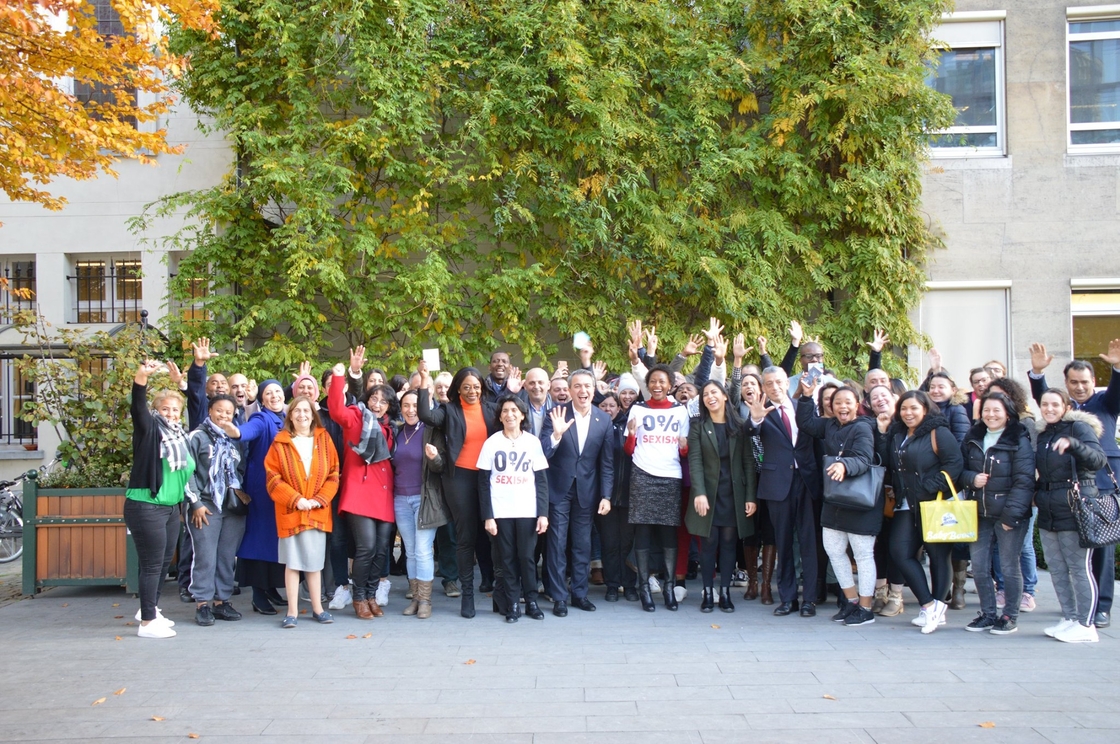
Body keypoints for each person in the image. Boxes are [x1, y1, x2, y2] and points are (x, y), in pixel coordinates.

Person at [1028, 339, 1120, 628]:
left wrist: (1116, 367)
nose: (1079, 386)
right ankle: (1079, 608)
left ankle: (1101, 606)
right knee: (1071, 555)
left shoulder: (1104, 401)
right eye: (1073, 382)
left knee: (1100, 548)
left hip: (1100, 483)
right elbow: (1049, 405)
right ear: (1066, 384)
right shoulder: (1062, 410)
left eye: (1084, 381)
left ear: (1094, 381)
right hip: (1066, 489)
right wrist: (1037, 375)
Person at [878, 390, 964, 634]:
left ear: (925, 409)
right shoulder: (898, 434)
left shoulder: (939, 432)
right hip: (906, 503)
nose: (908, 413)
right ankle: (929, 605)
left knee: (938, 557)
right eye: (904, 408)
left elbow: (954, 465)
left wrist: (929, 486)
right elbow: (888, 463)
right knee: (899, 551)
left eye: (913, 408)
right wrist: (884, 434)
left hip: (934, 503)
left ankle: (937, 608)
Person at [418, 363, 498, 618]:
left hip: (488, 478)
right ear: (458, 390)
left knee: (492, 533)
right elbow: (425, 416)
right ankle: (468, 596)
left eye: (476, 387)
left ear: (482, 388)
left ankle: (497, 590)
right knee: (465, 538)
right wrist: (423, 382)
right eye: (467, 387)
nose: (472, 391)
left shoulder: (491, 410)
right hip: (459, 479)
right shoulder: (448, 411)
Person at [796, 380, 879, 626]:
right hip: (835, 499)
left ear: (857, 405)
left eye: (847, 402)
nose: (842, 407)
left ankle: (866, 607)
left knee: (863, 555)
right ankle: (851, 602)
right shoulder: (830, 425)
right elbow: (807, 424)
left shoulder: (864, 428)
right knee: (833, 550)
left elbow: (864, 458)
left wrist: (844, 464)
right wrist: (806, 398)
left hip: (860, 501)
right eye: (837, 403)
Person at [126, 360, 195, 639]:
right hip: (146, 505)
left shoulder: (180, 436)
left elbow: (199, 406)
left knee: (164, 562)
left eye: (175, 409)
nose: (170, 413)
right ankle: (146, 623)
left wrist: (183, 384)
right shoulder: (149, 431)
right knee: (152, 564)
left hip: (169, 508)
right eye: (164, 408)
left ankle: (149, 610)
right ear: (156, 410)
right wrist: (141, 377)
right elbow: (137, 408)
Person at [745, 366, 822, 617]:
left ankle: (809, 598)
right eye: (769, 383)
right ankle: (788, 598)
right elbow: (749, 432)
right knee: (783, 542)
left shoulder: (804, 407)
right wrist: (755, 418)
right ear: (764, 388)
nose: (775, 387)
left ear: (787, 384)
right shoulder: (761, 411)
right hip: (777, 485)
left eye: (779, 382)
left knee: (809, 543)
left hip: (807, 481)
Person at [1035, 387, 1110, 643]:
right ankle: (1069, 617)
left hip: (1076, 506)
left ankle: (1086, 624)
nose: (1050, 409)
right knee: (1056, 567)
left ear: (1066, 407)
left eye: (1055, 404)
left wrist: (1074, 445)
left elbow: (1098, 461)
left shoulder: (1079, 429)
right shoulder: (1043, 434)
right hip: (1048, 507)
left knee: (1079, 568)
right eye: (1045, 404)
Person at [540, 369, 615, 616]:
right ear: (570, 390)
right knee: (557, 544)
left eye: (588, 386)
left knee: (582, 545)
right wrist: (556, 435)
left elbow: (606, 463)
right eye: (578, 386)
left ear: (594, 390)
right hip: (559, 489)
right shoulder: (556, 414)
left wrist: (606, 495)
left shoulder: (603, 420)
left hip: (588, 492)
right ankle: (559, 596)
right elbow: (542, 453)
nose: (583, 391)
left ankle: (580, 594)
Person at [960, 392, 1035, 635]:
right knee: (980, 567)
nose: (990, 415)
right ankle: (987, 614)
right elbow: (959, 470)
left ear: (1008, 413)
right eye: (986, 411)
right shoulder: (973, 437)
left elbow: (1024, 482)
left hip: (1008, 515)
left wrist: (1011, 517)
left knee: (1009, 567)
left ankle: (1009, 616)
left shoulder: (1018, 439)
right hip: (979, 513)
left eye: (996, 410)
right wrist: (972, 479)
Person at [264, 396, 339, 628]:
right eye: (296, 411)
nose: (302, 415)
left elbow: (334, 474)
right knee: (293, 563)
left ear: (313, 414)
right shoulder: (280, 442)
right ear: (290, 416)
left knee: (314, 563)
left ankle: (318, 609)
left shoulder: (324, 439)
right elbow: (272, 478)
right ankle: (292, 612)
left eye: (306, 411)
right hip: (291, 511)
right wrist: (296, 500)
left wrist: (319, 499)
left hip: (317, 510)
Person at [328, 363, 396, 620]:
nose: (378, 404)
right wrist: (338, 377)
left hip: (384, 493)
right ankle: (358, 597)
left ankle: (370, 594)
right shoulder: (357, 417)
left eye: (384, 401)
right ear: (367, 400)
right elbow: (336, 409)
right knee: (365, 547)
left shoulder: (391, 428)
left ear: (389, 406)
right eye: (374, 399)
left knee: (381, 549)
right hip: (359, 491)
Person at [686, 380, 757, 612]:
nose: (709, 397)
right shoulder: (698, 425)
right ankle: (708, 593)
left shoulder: (739, 425)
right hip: (708, 494)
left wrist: (750, 496)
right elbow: (694, 460)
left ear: (725, 396)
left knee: (728, 543)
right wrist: (699, 493)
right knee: (708, 543)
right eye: (705, 394)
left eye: (714, 392)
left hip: (733, 494)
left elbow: (748, 462)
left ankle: (725, 592)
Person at [625, 364, 691, 612]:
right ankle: (644, 588)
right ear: (648, 384)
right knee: (642, 531)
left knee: (668, 534)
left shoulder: (680, 411)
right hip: (642, 474)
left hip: (670, 476)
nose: (657, 386)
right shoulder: (638, 409)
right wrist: (631, 436)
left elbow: (684, 450)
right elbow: (629, 450)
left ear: (670, 384)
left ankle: (669, 587)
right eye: (653, 381)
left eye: (662, 381)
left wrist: (684, 448)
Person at [479, 395, 550, 622]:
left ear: (522, 415)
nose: (510, 414)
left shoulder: (532, 442)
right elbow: (482, 483)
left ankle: (531, 601)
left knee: (527, 558)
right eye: (505, 411)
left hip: (527, 510)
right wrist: (488, 516)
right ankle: (512, 604)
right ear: (500, 416)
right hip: (501, 511)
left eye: (514, 410)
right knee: (507, 559)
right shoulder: (491, 443)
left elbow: (541, 481)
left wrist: (543, 514)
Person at [227, 379, 288, 616]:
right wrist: (236, 431)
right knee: (259, 541)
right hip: (262, 490)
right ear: (261, 400)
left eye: (277, 392)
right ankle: (258, 594)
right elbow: (247, 432)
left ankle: (270, 587)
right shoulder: (261, 419)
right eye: (268, 393)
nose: (274, 396)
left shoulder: (285, 418)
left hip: (280, 491)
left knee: (275, 540)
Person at [184, 394, 246, 626]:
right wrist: (195, 503)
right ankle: (203, 603)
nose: (223, 415)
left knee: (227, 556)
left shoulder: (236, 438)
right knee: (205, 556)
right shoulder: (197, 437)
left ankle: (222, 601)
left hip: (231, 505)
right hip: (206, 506)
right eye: (219, 410)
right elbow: (187, 472)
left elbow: (242, 469)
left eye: (228, 412)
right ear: (210, 411)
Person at [985, 376, 1040, 613]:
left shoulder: (1024, 424)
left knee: (1023, 545)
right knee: (999, 547)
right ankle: (1003, 588)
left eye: (1003, 396)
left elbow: (1031, 464)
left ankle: (1028, 591)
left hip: (1020, 494)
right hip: (994, 497)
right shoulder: (986, 429)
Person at [392, 389, 448, 619]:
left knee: (424, 551)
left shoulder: (431, 430)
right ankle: (415, 597)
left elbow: (441, 466)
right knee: (411, 552)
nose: (410, 410)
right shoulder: (396, 431)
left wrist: (434, 457)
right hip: (400, 499)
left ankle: (425, 600)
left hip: (425, 498)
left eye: (415, 405)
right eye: (406, 405)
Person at [866, 384, 906, 617]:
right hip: (879, 496)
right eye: (874, 398)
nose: (880, 400)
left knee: (898, 547)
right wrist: (880, 432)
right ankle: (880, 592)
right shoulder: (870, 426)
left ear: (895, 398)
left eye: (884, 395)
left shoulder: (907, 423)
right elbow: (878, 459)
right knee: (878, 546)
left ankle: (896, 596)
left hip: (903, 497)